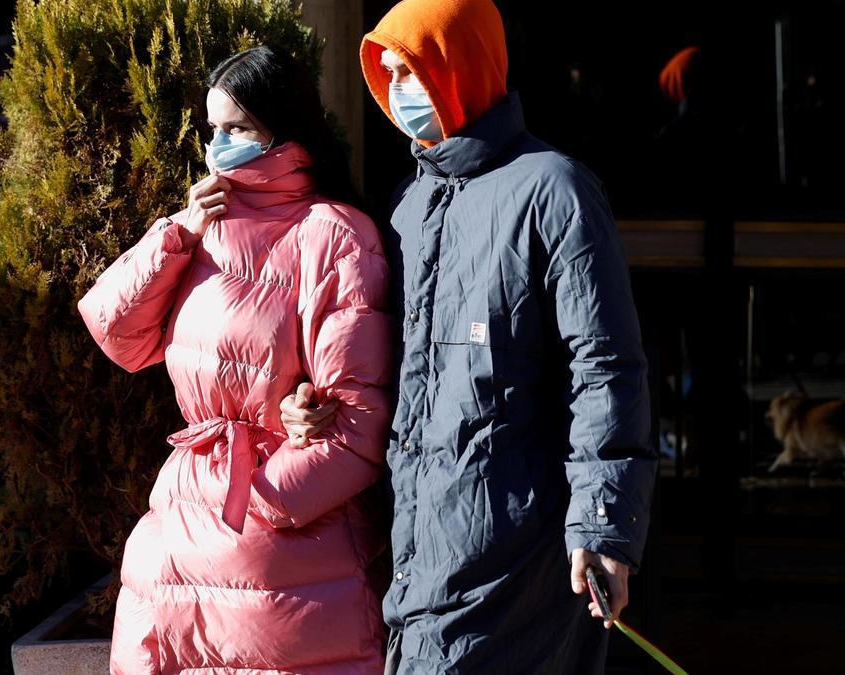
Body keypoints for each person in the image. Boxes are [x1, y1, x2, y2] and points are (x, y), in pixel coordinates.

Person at [281, 1, 657, 672]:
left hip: (522, 567)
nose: (402, 94)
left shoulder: (554, 191)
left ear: (464, 68)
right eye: (389, 74)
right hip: (417, 555)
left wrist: (604, 525)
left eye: (414, 72)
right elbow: (377, 363)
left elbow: (604, 369)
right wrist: (310, 402)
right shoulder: (405, 205)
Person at [78, 45, 392, 674]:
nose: (218, 144)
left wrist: (263, 505)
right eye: (212, 129)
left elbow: (360, 425)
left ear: (282, 127)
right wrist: (179, 233)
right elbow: (118, 333)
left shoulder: (334, 234)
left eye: (237, 128)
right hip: (174, 550)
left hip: (284, 571)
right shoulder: (203, 223)